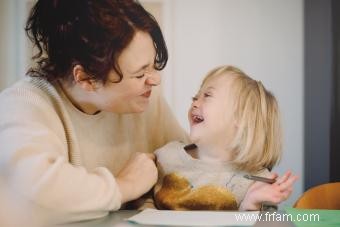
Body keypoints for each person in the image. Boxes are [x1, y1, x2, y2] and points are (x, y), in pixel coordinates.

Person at [0, 0, 188, 223]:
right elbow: (30, 196)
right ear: (86, 78)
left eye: (152, 66)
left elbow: (192, 168)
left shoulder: (145, 102)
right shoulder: (23, 106)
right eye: (140, 74)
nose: (154, 80)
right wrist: (124, 185)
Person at [154, 65, 298, 211]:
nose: (195, 103)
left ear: (241, 118)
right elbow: (140, 210)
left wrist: (250, 205)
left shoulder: (257, 182)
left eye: (207, 96)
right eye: (195, 97)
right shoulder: (165, 157)